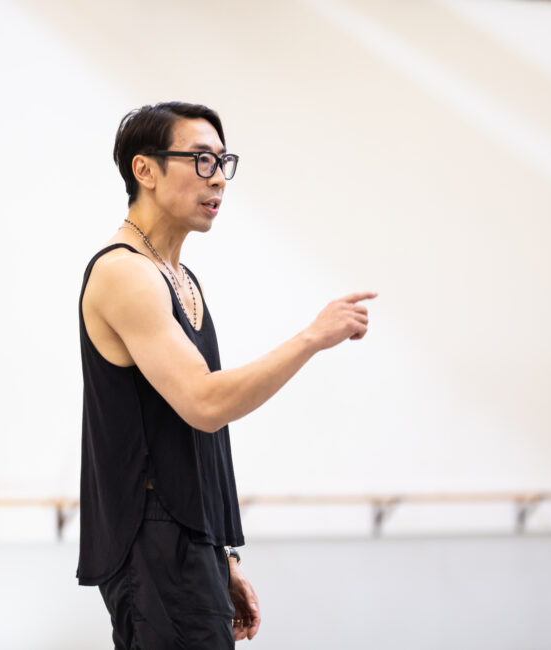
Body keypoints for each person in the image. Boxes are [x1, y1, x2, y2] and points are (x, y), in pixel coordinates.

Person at [77, 101, 376, 648]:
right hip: (154, 542)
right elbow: (206, 402)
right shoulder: (124, 273)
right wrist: (312, 337)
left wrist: (223, 554)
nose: (217, 180)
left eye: (223, 162)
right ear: (145, 170)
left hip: (187, 542)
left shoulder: (180, 277)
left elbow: (194, 437)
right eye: (201, 161)